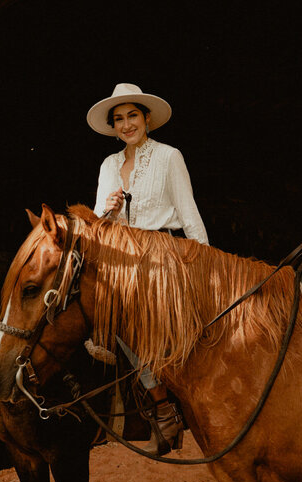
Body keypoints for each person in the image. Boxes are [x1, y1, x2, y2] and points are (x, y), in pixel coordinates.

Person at [87, 82, 209, 455]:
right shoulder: (109, 164)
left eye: (133, 116)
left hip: (163, 255)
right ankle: (162, 407)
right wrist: (107, 211)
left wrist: (206, 263)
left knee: (155, 332)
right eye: (119, 119)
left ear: (146, 119)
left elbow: (188, 212)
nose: (126, 125)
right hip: (124, 259)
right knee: (116, 320)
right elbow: (96, 223)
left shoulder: (169, 156)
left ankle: (179, 409)